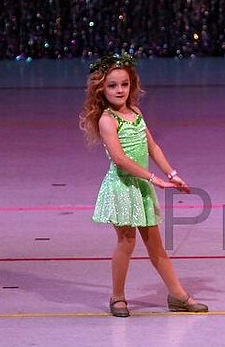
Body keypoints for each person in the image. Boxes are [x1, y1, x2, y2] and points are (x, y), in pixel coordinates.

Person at [79, 53, 208, 316]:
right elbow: (119, 159)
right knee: (126, 241)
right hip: (122, 187)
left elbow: (152, 146)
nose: (120, 90)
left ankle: (178, 295)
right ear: (101, 89)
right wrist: (153, 178)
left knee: (156, 245)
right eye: (113, 85)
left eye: (124, 84)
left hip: (141, 188)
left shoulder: (136, 113)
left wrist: (171, 174)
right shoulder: (107, 120)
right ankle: (117, 297)